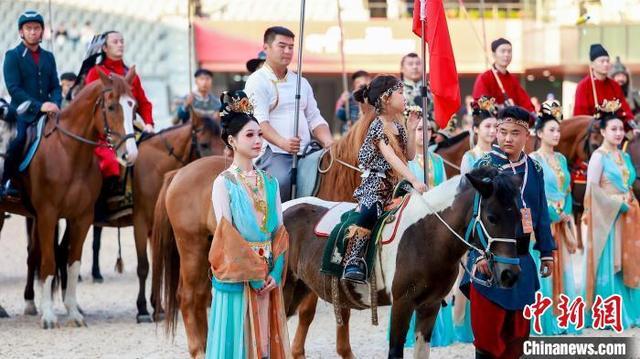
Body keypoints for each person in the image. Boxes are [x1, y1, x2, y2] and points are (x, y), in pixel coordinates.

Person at [460, 105, 556, 359]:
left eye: (515, 133)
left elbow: (541, 211)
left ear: (527, 135)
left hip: (522, 259)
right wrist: (477, 255)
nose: (507, 139)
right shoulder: (483, 166)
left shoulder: (534, 169)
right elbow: (468, 215)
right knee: (488, 338)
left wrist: (546, 251)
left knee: (518, 338)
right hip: (488, 261)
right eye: (502, 132)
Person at [207, 90, 290, 358]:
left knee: (264, 346)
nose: (257, 141)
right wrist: (254, 274)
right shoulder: (224, 183)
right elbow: (226, 236)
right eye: (250, 135)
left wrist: (275, 272)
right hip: (239, 276)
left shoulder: (270, 182)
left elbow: (279, 233)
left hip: (266, 276)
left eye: (259, 135)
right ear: (232, 140)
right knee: (240, 344)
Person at [342, 75, 426, 283]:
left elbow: (408, 156)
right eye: (400, 93)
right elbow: (390, 157)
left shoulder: (398, 125)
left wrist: (412, 129)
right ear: (387, 98)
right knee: (370, 212)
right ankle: (353, 258)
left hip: (396, 184)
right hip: (376, 183)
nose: (405, 98)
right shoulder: (377, 126)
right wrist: (414, 180)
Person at [244, 26, 334, 202]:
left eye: (291, 47)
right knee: (281, 182)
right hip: (274, 152)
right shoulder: (257, 81)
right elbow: (260, 122)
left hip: (308, 150)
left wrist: (329, 141)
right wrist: (283, 143)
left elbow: (315, 118)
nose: (287, 51)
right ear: (266, 48)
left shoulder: (301, 82)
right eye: (282, 46)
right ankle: (270, 226)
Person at [582, 99, 640, 330]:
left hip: (627, 217)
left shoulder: (624, 157)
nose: (618, 133)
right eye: (613, 129)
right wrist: (617, 204)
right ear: (603, 131)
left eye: (620, 129)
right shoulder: (598, 157)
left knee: (629, 262)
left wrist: (631, 202)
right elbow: (592, 190)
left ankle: (631, 310)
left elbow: (628, 186)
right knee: (609, 262)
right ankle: (610, 313)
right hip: (608, 220)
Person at [397, 113, 452, 348]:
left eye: (428, 129)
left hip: (437, 225)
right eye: (419, 129)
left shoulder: (437, 161)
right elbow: (399, 190)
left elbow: (448, 191)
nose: (424, 133)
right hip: (413, 224)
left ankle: (435, 329)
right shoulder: (404, 161)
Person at [529, 100, 582, 335]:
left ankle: (562, 318)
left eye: (558, 130)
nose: (557, 134)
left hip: (561, 222)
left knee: (564, 269)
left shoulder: (561, 160)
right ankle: (544, 320)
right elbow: (532, 196)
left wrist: (566, 212)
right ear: (539, 133)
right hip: (544, 224)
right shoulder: (533, 160)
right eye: (551, 130)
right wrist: (553, 214)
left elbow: (567, 190)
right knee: (545, 269)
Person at [2, 10, 61, 197]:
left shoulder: (49, 57)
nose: (33, 32)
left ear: (42, 32)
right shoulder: (12, 56)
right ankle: (7, 181)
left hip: (49, 114)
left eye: (37, 28)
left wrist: (55, 104)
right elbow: (14, 89)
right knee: (18, 141)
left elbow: (56, 86)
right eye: (28, 28)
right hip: (23, 113)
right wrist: (40, 106)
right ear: (21, 32)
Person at [85, 30, 154, 180]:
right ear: (104, 48)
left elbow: (144, 103)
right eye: (115, 42)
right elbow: (90, 106)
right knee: (111, 163)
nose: (120, 45)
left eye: (122, 41)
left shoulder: (130, 74)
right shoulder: (95, 73)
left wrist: (149, 123)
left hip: (131, 128)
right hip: (104, 134)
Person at [573, 44, 634, 125]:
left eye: (607, 61)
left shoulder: (615, 85)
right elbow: (579, 117)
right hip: (592, 132)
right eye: (602, 61)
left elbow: (625, 111)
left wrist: (632, 125)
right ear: (592, 65)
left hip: (615, 130)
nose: (606, 64)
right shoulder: (583, 86)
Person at [472, 38, 535, 112]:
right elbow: (480, 101)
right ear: (494, 54)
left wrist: (532, 114)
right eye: (503, 51)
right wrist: (499, 108)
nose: (507, 54)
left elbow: (526, 104)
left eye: (509, 51)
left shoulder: (513, 80)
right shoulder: (484, 77)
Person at [460, 96, 498, 175]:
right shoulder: (469, 157)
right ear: (475, 129)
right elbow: (466, 186)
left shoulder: (500, 155)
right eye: (487, 126)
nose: (493, 130)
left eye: (495, 126)